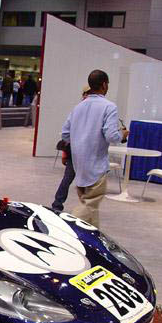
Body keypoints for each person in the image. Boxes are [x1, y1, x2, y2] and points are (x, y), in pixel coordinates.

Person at [62, 70, 128, 227]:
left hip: (79, 165)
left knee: (91, 209)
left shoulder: (78, 107)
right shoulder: (109, 107)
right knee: (89, 205)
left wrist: (80, 141)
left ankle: (92, 236)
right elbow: (111, 136)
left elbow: (65, 134)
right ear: (104, 84)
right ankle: (66, 228)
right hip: (96, 166)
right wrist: (122, 135)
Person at [52, 86, 90, 211]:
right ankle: (58, 204)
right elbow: (66, 134)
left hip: (80, 151)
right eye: (86, 94)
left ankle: (59, 204)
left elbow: (66, 133)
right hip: (79, 152)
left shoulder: (78, 109)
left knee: (72, 179)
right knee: (72, 179)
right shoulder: (80, 110)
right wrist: (65, 153)